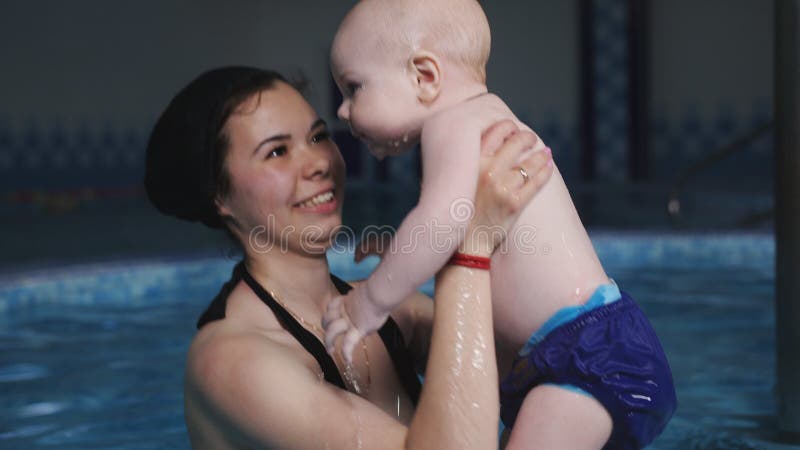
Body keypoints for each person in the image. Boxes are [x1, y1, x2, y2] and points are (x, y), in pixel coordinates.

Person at [323, 1, 677, 449]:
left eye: (354, 89)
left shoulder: (450, 126)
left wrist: (370, 303)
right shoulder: (486, 117)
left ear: (424, 77)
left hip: (584, 356)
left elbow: (443, 223)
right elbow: (469, 231)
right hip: (580, 353)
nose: (344, 111)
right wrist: (399, 251)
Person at [144, 66, 554, 449]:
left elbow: (550, 371)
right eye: (276, 152)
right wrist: (468, 243)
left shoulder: (394, 314)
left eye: (318, 136)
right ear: (219, 197)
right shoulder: (233, 362)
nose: (318, 162)